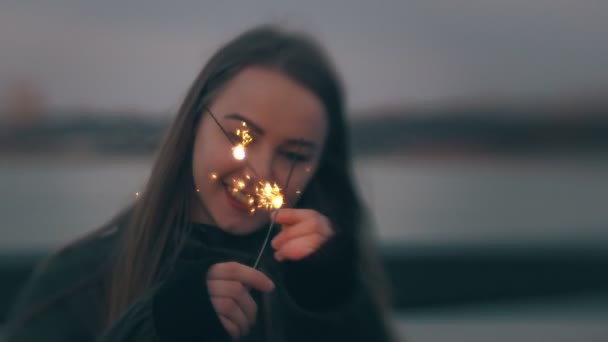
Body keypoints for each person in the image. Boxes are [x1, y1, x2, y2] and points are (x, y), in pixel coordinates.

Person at [5, 25, 394, 342]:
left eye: (294, 155)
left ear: (319, 167)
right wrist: (159, 328)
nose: (260, 171)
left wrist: (330, 304)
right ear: (193, 125)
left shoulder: (328, 283)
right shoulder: (78, 282)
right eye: (240, 135)